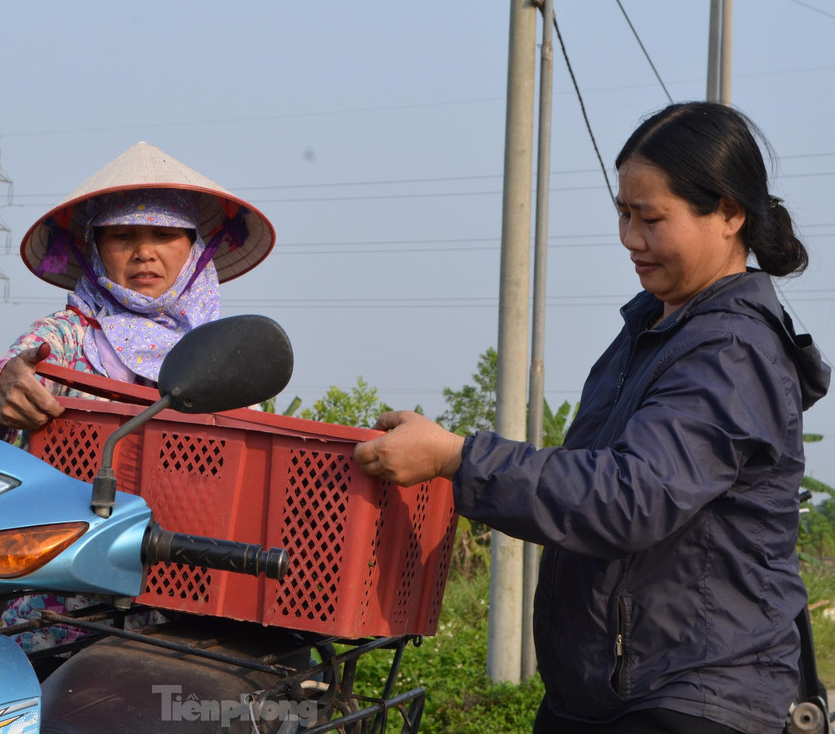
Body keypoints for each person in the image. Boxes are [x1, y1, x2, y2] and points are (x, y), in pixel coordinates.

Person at [353, 102, 830, 734]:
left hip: (693, 695)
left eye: (652, 218)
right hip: (605, 692)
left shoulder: (731, 351)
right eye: (624, 214)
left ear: (729, 214)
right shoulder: (654, 328)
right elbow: (588, 478)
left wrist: (456, 458)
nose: (632, 238)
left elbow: (629, 496)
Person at [0, 140, 274, 652]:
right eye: (122, 236)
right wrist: (3, 386)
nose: (144, 251)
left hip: (184, 603)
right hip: (58, 601)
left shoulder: (221, 351)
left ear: (194, 248)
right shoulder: (68, 336)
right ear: (94, 248)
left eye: (164, 235)